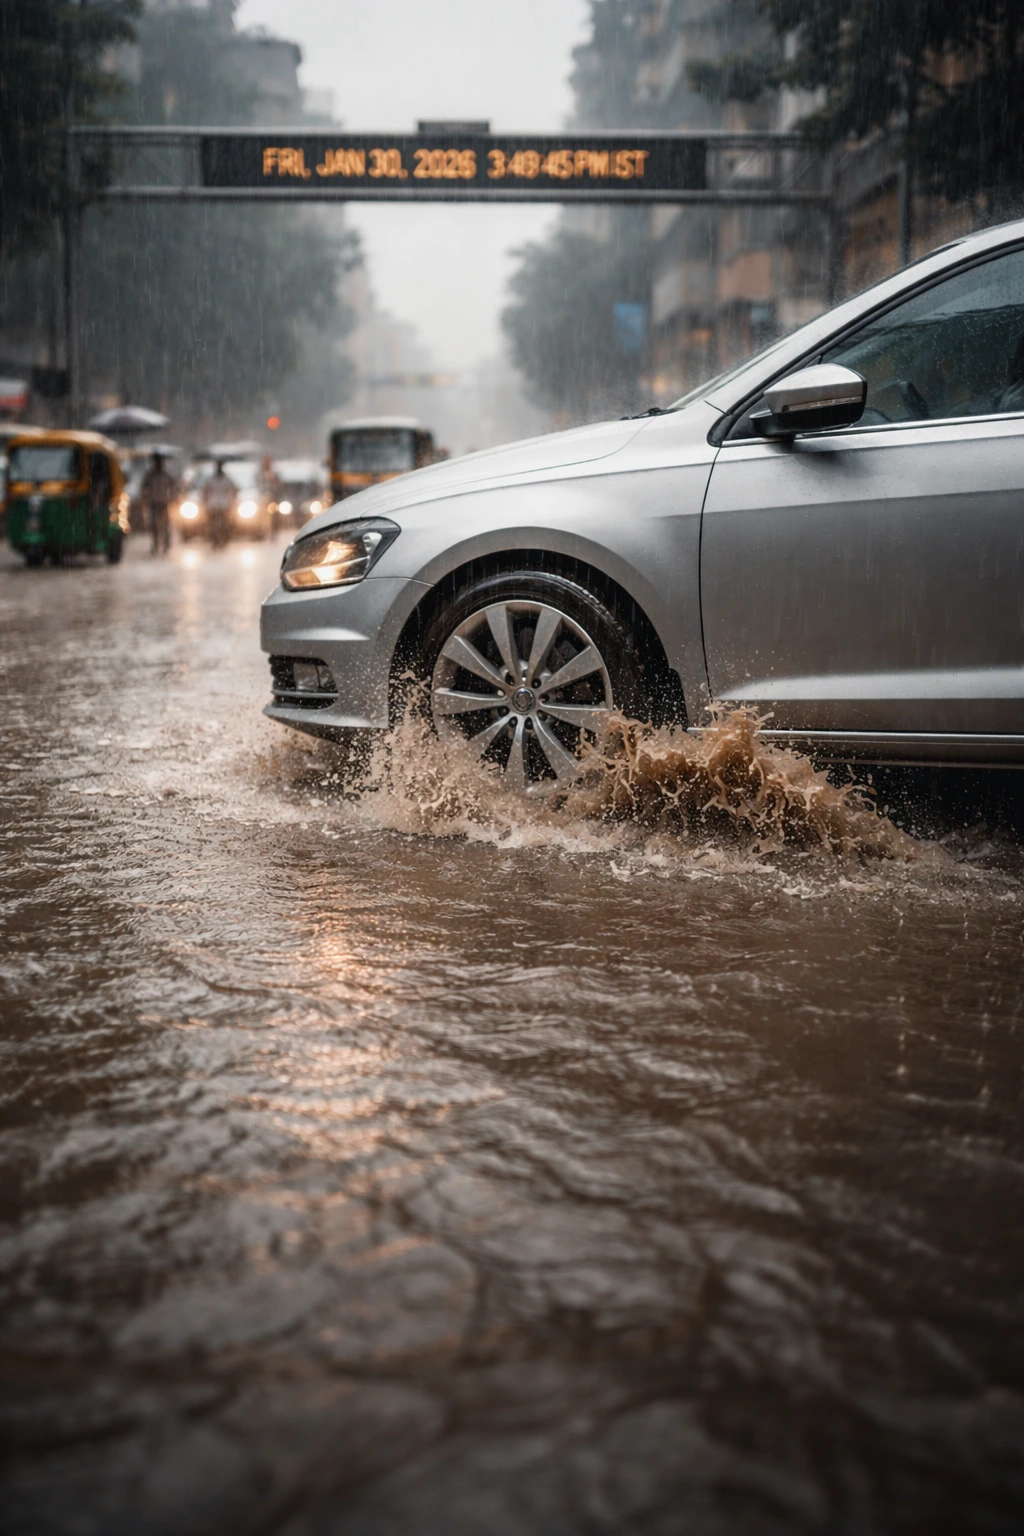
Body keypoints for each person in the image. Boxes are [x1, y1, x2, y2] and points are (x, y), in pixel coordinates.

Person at [141, 451, 177, 555]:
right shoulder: (150, 475)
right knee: (153, 525)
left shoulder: (167, 474)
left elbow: (174, 487)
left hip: (164, 503)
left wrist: (174, 498)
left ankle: (166, 545)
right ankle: (155, 544)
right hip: (153, 503)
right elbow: (144, 488)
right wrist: (144, 499)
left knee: (165, 525)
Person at [203, 460, 236, 548]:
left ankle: (224, 538)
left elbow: (234, 489)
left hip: (224, 505)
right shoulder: (211, 479)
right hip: (213, 505)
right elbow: (205, 491)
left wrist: (231, 501)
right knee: (213, 524)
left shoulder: (227, 479)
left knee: (224, 523)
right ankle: (214, 539)